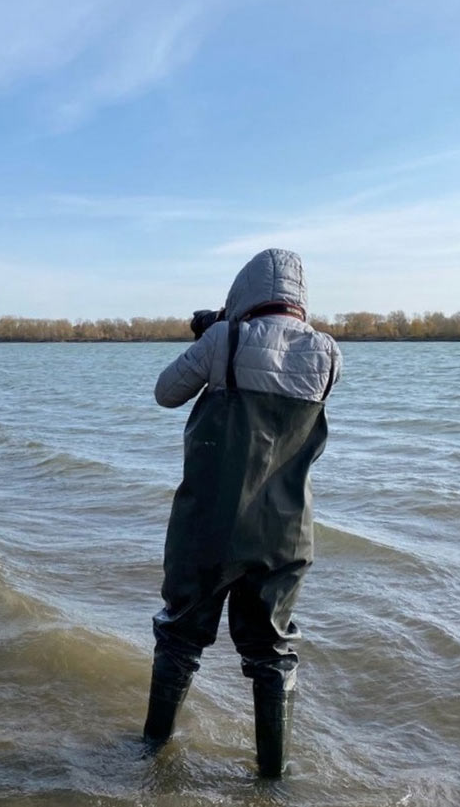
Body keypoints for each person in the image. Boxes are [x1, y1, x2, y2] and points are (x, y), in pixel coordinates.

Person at [141, 248, 342, 777]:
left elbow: (166, 394)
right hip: (286, 536)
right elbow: (282, 369)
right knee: (273, 655)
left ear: (243, 291)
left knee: (180, 637)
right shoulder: (329, 354)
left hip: (209, 528)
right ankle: (272, 777)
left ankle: (149, 754)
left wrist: (216, 332)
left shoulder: (222, 339)